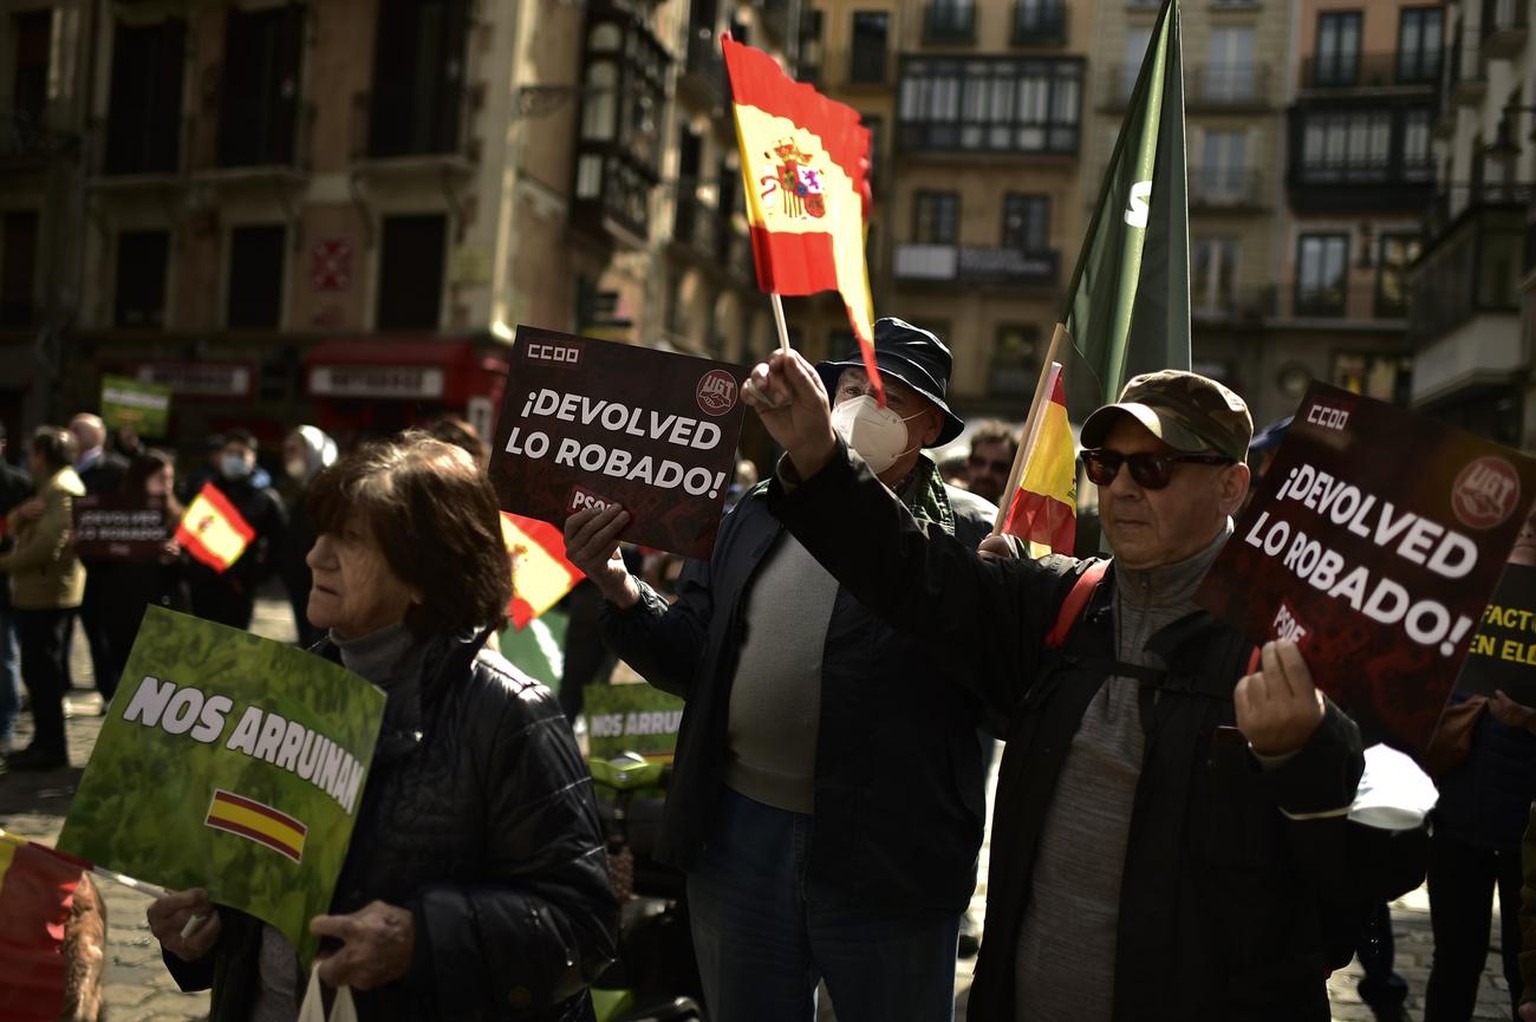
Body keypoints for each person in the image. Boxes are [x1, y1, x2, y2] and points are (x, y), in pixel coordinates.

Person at [736, 353, 1415, 1020]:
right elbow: (915, 576)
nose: (1121, 488)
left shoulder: (1302, 644)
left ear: (1231, 487)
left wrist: (1305, 753)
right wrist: (821, 458)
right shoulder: (1062, 602)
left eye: (1152, 467)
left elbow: (1384, 867)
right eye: (1105, 465)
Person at [564, 319, 997, 1022]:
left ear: (928, 431)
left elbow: (982, 673)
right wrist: (619, 587)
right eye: (853, 386)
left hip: (888, 859)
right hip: (740, 840)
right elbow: (694, 656)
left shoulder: (968, 532)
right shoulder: (753, 513)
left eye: (891, 395)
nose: (864, 404)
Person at [145, 432, 618, 1020]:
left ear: (427, 572)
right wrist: (203, 931)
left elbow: (585, 929)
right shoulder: (286, 687)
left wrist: (420, 940)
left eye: (350, 539)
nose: (317, 556)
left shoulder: (510, 713)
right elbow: (258, 884)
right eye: (322, 533)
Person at [1430, 505, 1536, 1022]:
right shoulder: (1465, 597)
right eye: (1524, 526)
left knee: (1528, 975)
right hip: (1459, 816)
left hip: (1527, 831)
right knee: (1454, 960)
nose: (1529, 537)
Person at [0, 427, 85, 771]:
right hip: (39, 590)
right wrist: (19, 517)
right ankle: (43, 742)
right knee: (37, 673)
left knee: (42, 674)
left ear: (42, 456)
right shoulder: (51, 487)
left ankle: (50, 748)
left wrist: (3, 564)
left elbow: (47, 546)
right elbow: (23, 529)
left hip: (46, 592)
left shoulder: (60, 489)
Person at [184, 429, 287, 631]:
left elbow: (280, 545)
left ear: (253, 458)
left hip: (239, 589)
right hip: (202, 584)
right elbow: (189, 532)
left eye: (241, 454)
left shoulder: (266, 499)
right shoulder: (205, 491)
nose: (234, 458)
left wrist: (254, 576)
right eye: (229, 452)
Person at [101, 450, 188, 682]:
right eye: (161, 479)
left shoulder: (179, 518)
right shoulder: (117, 517)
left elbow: (194, 568)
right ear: (141, 480)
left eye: (170, 479)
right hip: (124, 613)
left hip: (165, 611)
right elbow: (100, 565)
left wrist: (177, 557)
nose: (167, 486)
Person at [69, 413, 130, 701]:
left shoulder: (117, 469)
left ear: (98, 435)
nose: (72, 435)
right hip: (66, 562)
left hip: (103, 566)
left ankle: (110, 690)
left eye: (78, 430)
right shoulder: (66, 469)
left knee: (100, 629)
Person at [279, 426, 338, 648]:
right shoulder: (306, 488)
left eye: (294, 450)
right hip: (303, 586)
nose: (288, 457)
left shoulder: (326, 489)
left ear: (313, 451)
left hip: (317, 585)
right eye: (285, 451)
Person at [0, 422, 35, 755]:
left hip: (5, 588)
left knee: (6, 658)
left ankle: (6, 726)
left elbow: (29, 539)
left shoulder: (19, 485)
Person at [964, 420, 1020, 507]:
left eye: (998, 467)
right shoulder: (946, 509)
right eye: (979, 463)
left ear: (1012, 472)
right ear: (968, 463)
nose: (986, 473)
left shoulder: (1012, 519)